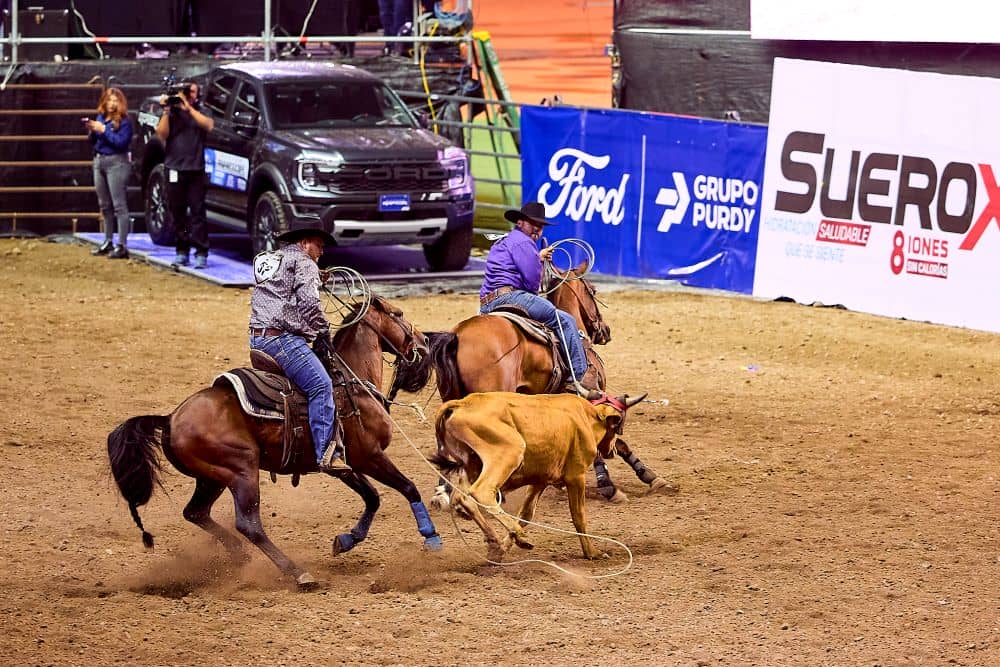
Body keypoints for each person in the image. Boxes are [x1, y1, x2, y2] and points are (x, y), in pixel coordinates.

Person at [248, 228, 350, 473]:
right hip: (282, 341)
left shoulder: (269, 258)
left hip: (258, 339)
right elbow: (309, 304)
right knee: (321, 385)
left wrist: (316, 276)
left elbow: (281, 285)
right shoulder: (305, 263)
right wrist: (323, 330)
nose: (322, 252)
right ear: (304, 242)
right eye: (319, 245)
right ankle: (326, 452)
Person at [479, 201, 600, 397]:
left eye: (540, 225)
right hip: (511, 297)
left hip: (487, 303)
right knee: (564, 320)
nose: (537, 228)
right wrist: (539, 260)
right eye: (532, 223)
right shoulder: (525, 242)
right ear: (520, 223)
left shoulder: (504, 241)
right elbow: (532, 282)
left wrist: (538, 256)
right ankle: (580, 378)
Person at [155, 80, 214, 269]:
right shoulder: (172, 113)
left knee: (198, 212)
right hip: (174, 168)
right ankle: (182, 250)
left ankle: (201, 252)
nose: (189, 95)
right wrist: (166, 111)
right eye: (186, 91)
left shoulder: (202, 111)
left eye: (192, 92)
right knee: (177, 212)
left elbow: (208, 125)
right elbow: (161, 134)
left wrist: (189, 108)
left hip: (195, 169)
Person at [86, 87, 133, 259]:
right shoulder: (101, 117)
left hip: (117, 163)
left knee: (119, 205)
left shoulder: (125, 122)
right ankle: (108, 240)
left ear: (120, 103)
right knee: (104, 205)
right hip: (99, 161)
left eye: (115, 101)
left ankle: (122, 245)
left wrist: (103, 131)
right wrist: (92, 130)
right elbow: (94, 142)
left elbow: (121, 143)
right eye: (109, 100)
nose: (112, 104)